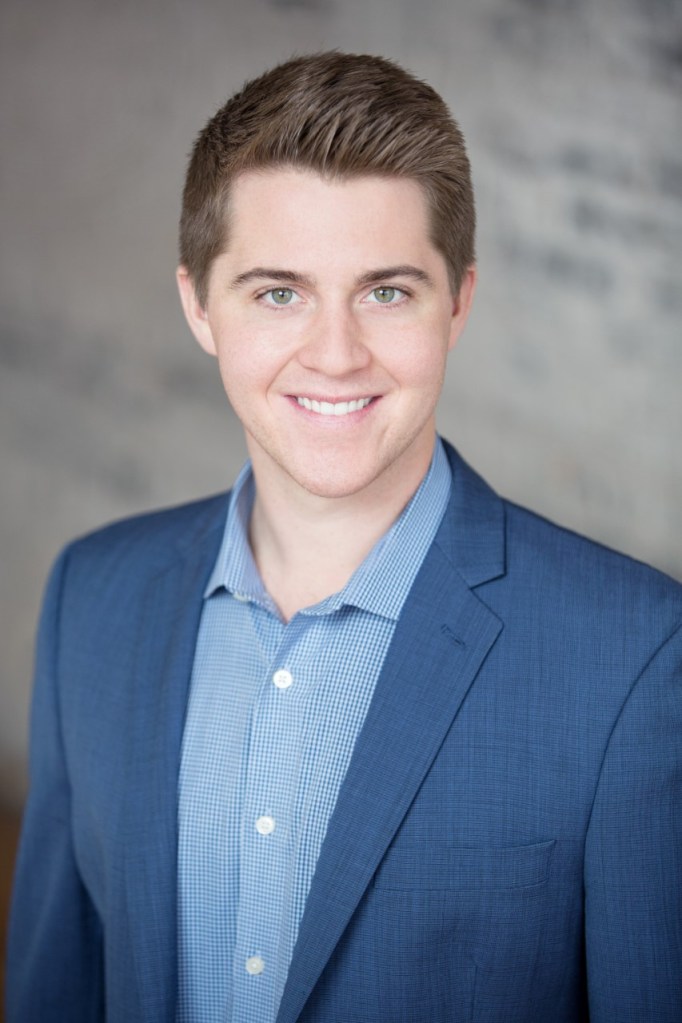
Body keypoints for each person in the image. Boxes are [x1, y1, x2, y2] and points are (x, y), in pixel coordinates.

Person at [6, 51, 681, 1023]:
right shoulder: (92, 598)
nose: (334, 354)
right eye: (278, 292)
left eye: (386, 292)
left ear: (458, 301)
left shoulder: (632, 654)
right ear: (199, 305)